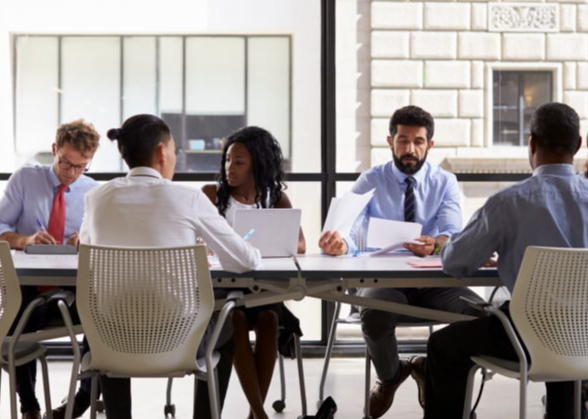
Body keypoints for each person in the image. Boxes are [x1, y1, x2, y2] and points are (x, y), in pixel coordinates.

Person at [79, 114, 261, 419]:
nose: (174, 157)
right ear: (162, 152)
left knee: (108, 320)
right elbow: (244, 260)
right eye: (175, 150)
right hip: (180, 338)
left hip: (112, 338)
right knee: (228, 326)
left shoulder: (96, 197)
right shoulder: (188, 198)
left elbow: (87, 253)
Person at [416, 102, 588, 419]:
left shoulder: (508, 202)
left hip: (524, 336)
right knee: (570, 335)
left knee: (442, 346)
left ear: (531, 142)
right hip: (584, 334)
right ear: (578, 145)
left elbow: (454, 263)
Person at [318, 105, 484, 418]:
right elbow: (349, 229)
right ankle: (391, 377)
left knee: (481, 316)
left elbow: (452, 233)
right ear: (390, 141)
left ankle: (440, 382)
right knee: (375, 317)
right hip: (385, 283)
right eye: (403, 140)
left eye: (418, 142)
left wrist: (435, 244)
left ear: (429, 145)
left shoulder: (445, 181)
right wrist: (340, 243)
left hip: (434, 282)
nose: (410, 149)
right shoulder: (371, 179)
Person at [202, 126, 306, 419]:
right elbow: (197, 238)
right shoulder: (212, 195)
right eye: (227, 160)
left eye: (238, 161)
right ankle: (261, 414)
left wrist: (254, 244)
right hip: (222, 291)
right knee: (233, 317)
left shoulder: (276, 199)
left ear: (257, 164)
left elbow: (299, 242)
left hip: (262, 289)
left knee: (269, 319)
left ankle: (253, 414)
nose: (229, 168)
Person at [0, 119, 100, 419]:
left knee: (102, 320)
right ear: (55, 150)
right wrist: (23, 239)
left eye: (81, 166)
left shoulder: (93, 191)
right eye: (66, 163)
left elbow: (104, 239)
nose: (72, 173)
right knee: (17, 321)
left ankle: (80, 402)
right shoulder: (26, 179)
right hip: (28, 286)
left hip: (73, 287)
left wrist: (88, 239)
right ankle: (29, 405)